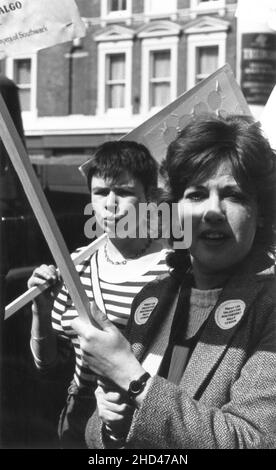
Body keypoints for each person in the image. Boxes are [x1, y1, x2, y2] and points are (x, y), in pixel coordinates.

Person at [72, 114, 276, 449]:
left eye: (234, 195)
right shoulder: (151, 297)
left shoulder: (269, 310)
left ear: (261, 212)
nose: (213, 211)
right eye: (196, 195)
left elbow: (252, 441)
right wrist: (112, 426)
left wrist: (133, 378)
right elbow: (96, 438)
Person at [27, 140, 169, 448]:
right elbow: (49, 364)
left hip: (144, 412)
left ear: (151, 198)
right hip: (81, 413)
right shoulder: (76, 266)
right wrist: (40, 309)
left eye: (125, 192)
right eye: (101, 192)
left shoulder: (173, 268)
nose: (111, 203)